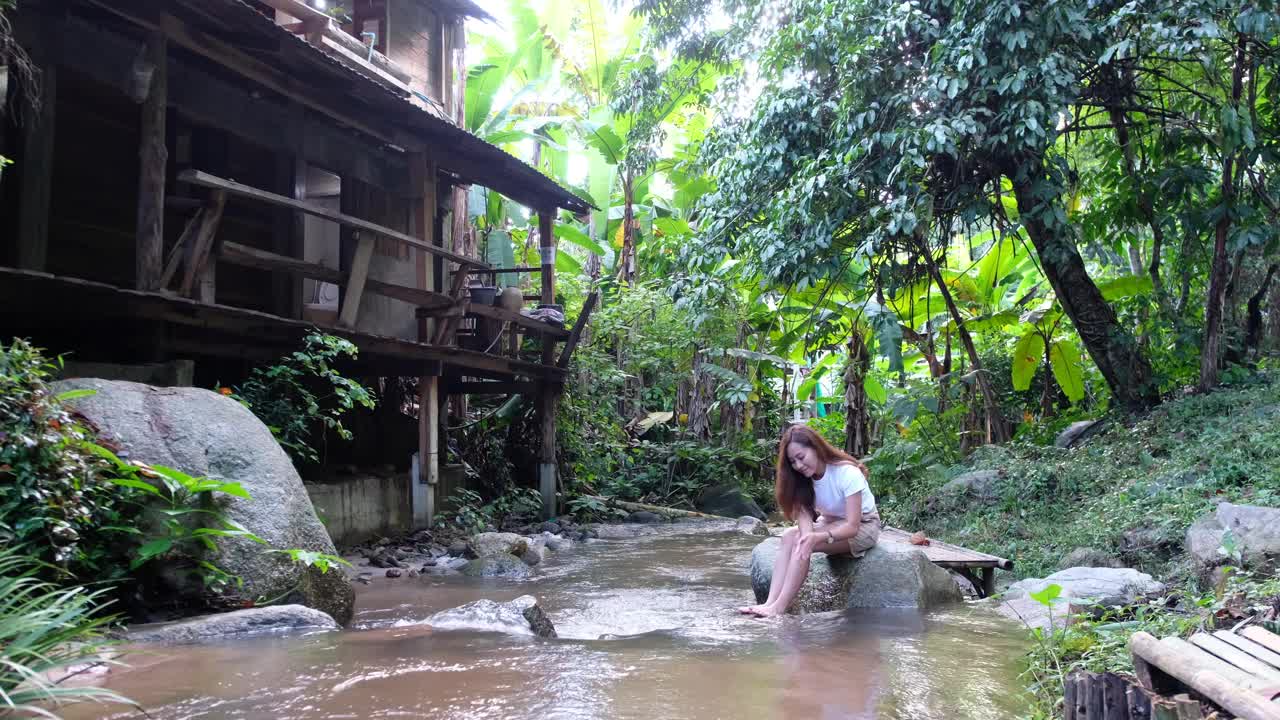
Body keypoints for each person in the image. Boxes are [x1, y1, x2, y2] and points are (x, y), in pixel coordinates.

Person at [739, 424, 881, 618]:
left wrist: (819, 537)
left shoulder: (847, 473)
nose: (798, 466)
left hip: (863, 526)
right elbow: (805, 528)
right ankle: (770, 602)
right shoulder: (801, 481)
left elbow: (852, 526)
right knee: (791, 536)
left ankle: (779, 608)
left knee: (804, 542)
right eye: (793, 462)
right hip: (831, 522)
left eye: (801, 457)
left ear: (815, 447)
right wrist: (808, 538)